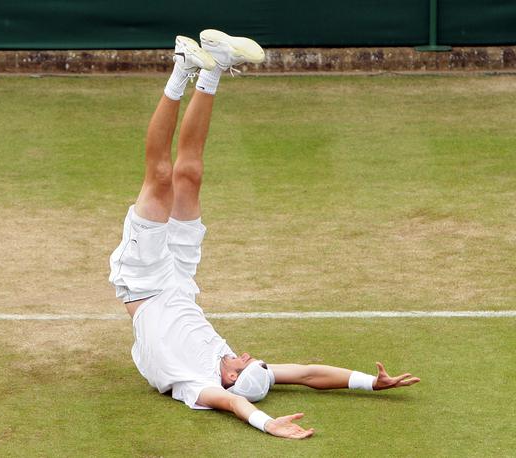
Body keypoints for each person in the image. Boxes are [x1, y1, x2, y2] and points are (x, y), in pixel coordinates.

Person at [109, 30, 420, 439]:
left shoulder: (196, 386)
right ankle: (215, 68)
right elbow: (308, 374)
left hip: (145, 286)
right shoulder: (244, 372)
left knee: (161, 178)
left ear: (227, 382)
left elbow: (237, 405)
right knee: (190, 175)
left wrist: (267, 422)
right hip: (180, 282)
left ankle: (180, 68)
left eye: (240, 366)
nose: (244, 356)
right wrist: (369, 382)